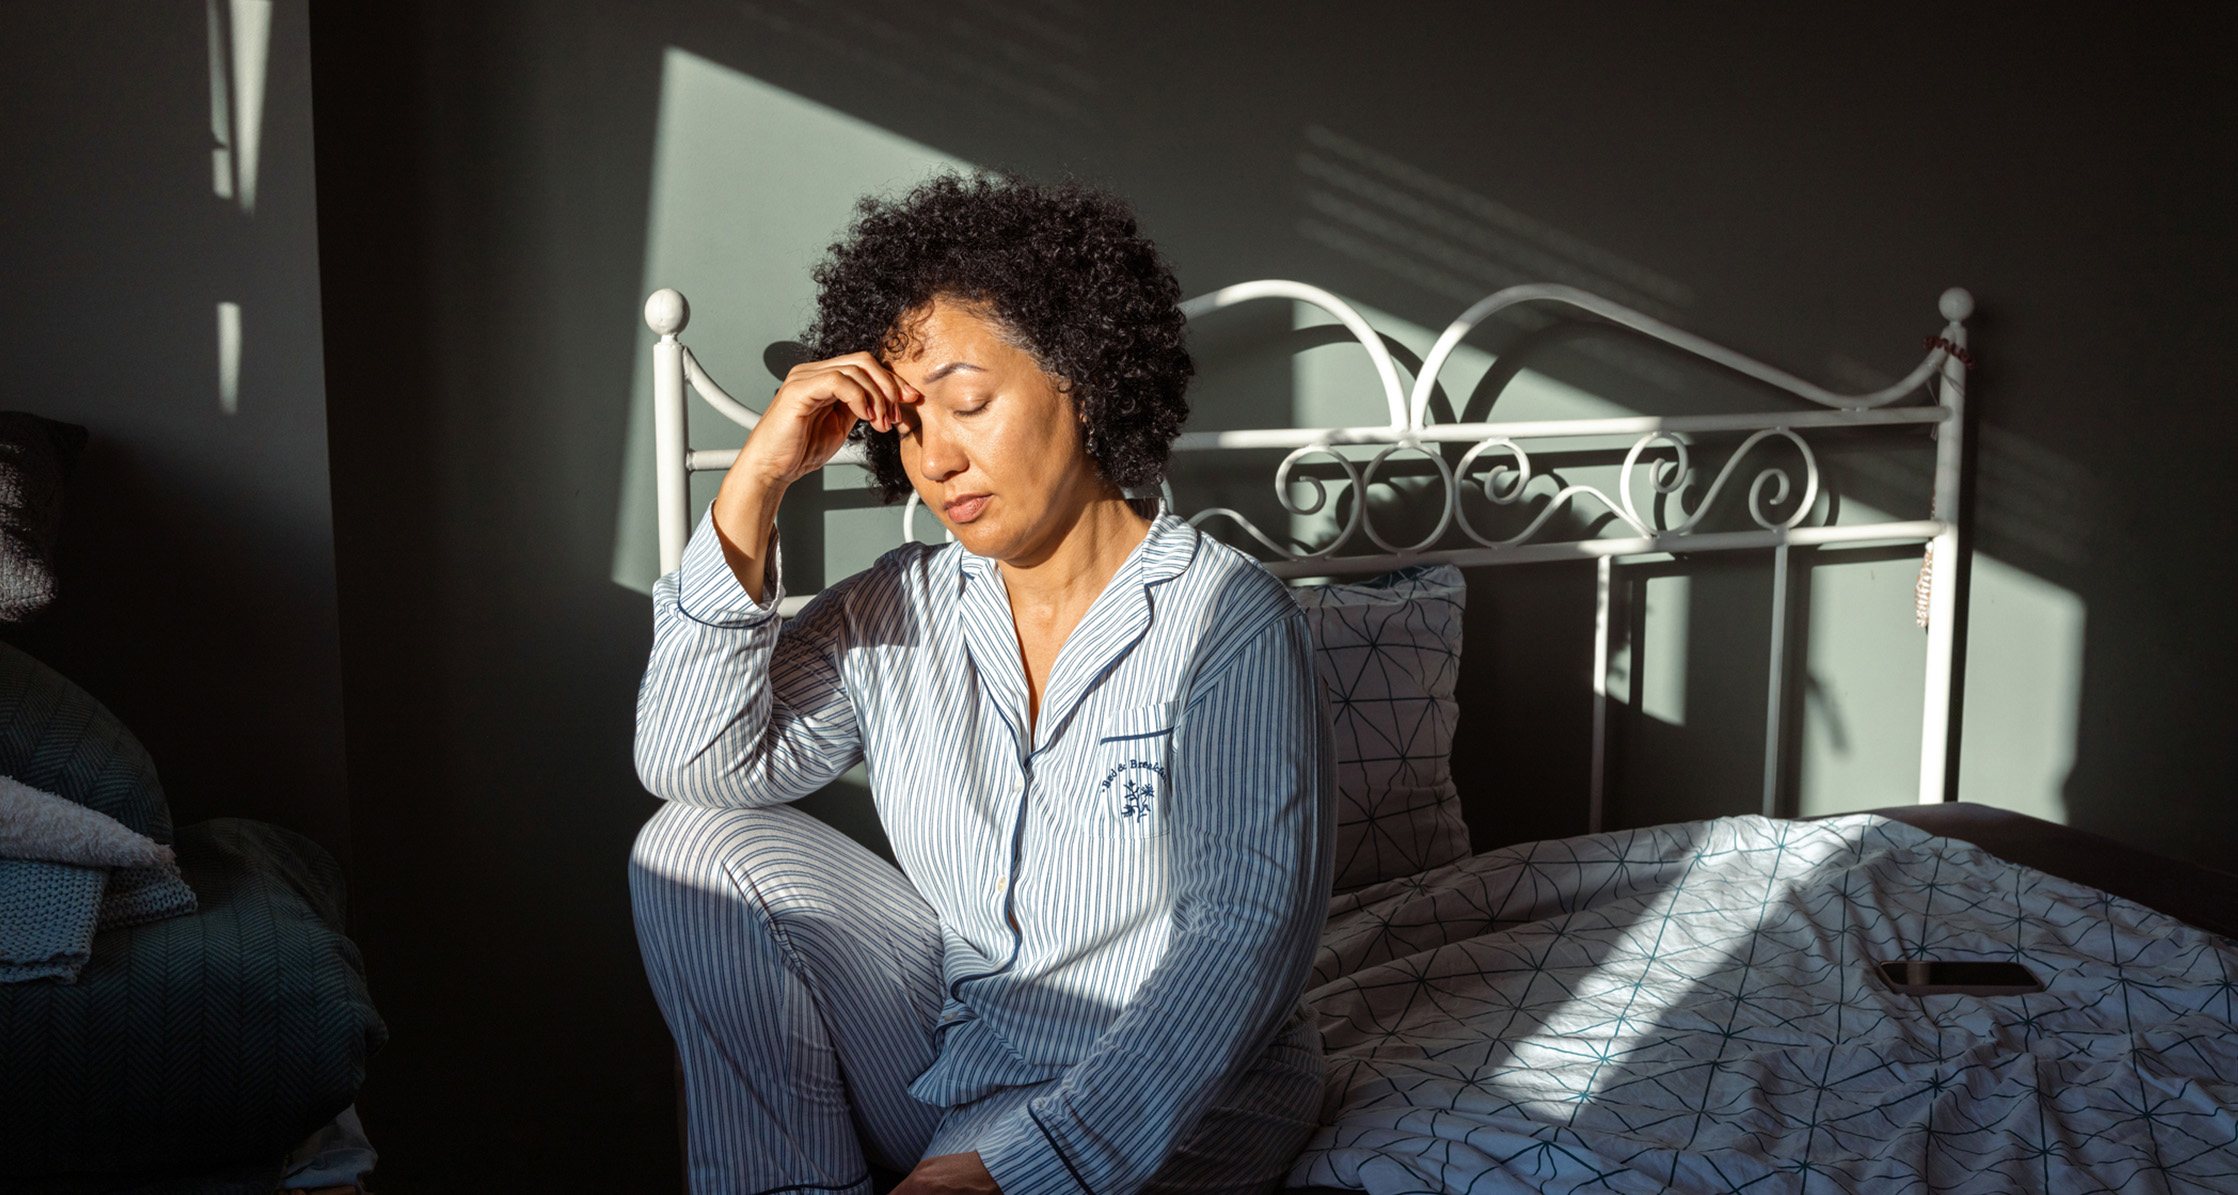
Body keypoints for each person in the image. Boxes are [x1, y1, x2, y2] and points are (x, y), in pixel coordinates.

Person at [629, 173, 1334, 1195]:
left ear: (1083, 382)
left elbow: (1242, 945)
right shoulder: (897, 607)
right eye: (910, 425)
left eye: (968, 403)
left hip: (1182, 1092)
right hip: (967, 1057)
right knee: (690, 842)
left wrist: (1024, 1167)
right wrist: (759, 479)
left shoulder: (1229, 619)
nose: (938, 459)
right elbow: (690, 760)